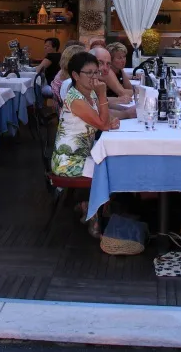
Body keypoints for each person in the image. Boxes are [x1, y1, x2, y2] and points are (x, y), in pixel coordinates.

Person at [51, 52, 119, 238]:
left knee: (112, 164)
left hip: (84, 154)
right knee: (106, 169)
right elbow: (102, 124)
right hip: (68, 161)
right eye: (88, 73)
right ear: (75, 75)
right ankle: (94, 216)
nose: (94, 77)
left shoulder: (89, 95)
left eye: (96, 72)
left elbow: (103, 120)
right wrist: (103, 93)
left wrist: (111, 121)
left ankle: (92, 207)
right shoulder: (76, 99)